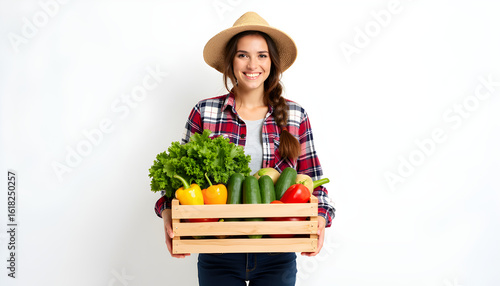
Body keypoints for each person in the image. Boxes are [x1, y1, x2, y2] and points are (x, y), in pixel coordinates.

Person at [154, 11, 335, 285]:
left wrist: (319, 218)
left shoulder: (296, 115)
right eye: (243, 55)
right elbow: (177, 180)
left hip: (278, 249)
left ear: (272, 62)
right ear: (231, 62)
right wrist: (169, 211)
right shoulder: (205, 111)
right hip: (218, 249)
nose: (253, 64)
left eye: (262, 55)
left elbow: (314, 180)